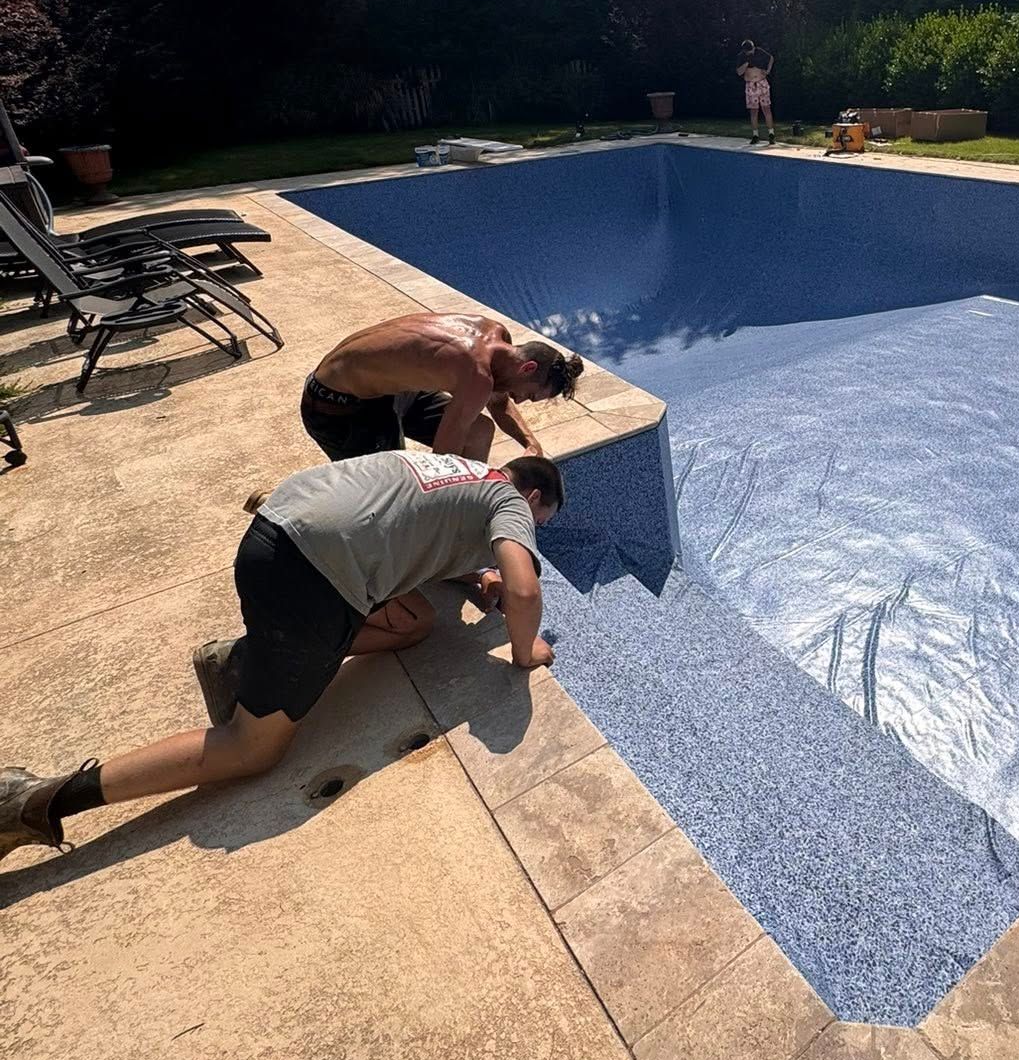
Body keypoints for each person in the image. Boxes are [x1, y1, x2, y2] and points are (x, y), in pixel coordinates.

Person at [0, 452, 565, 864]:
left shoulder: (456, 469)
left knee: (413, 622)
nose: (530, 530)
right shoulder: (512, 502)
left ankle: (250, 656)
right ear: (534, 498)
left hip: (275, 532)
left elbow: (419, 532)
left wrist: (481, 571)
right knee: (251, 750)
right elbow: (523, 591)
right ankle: (29, 803)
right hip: (311, 579)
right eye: (539, 525)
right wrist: (523, 650)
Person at [300, 313, 583, 463]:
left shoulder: (497, 336)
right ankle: (290, 510)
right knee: (388, 490)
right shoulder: (476, 373)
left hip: (389, 394)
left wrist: (531, 444)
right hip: (335, 405)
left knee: (479, 431)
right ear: (528, 368)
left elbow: (498, 404)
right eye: (529, 394)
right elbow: (443, 461)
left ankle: (462, 515)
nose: (519, 401)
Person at [736, 38, 775, 145]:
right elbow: (739, 72)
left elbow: (771, 58)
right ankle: (755, 135)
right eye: (749, 51)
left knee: (766, 109)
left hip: (762, 83)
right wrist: (747, 63)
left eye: (752, 50)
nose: (751, 52)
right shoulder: (742, 57)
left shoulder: (759, 51)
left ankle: (771, 134)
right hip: (750, 85)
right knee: (753, 111)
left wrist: (768, 70)